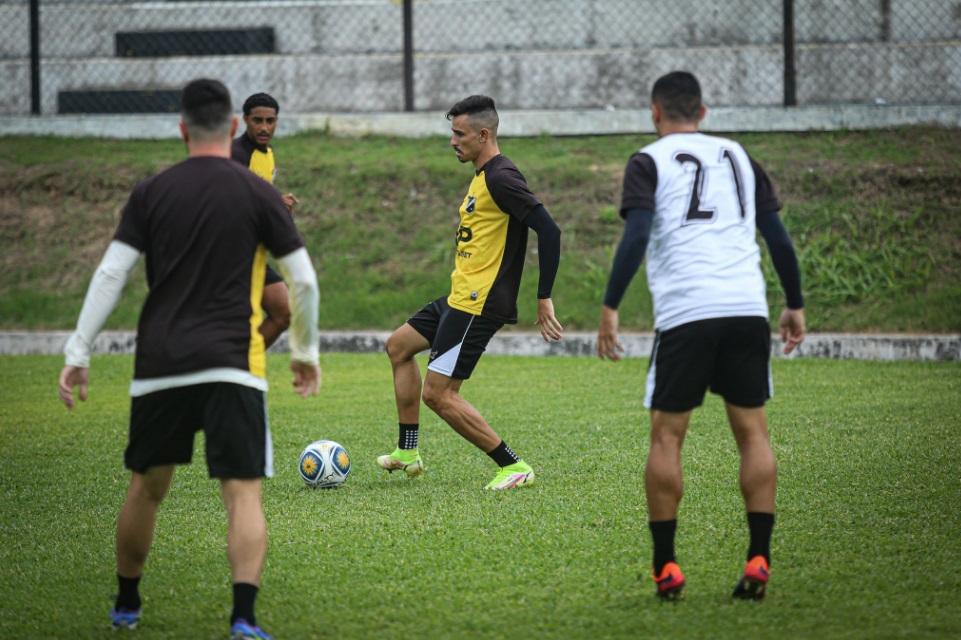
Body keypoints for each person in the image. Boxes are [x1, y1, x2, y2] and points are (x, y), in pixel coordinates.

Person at [58, 78, 321, 638]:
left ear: (182, 129)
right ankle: (243, 618)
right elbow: (302, 279)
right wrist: (305, 352)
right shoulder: (257, 194)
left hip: (161, 365)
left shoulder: (151, 191)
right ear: (231, 127)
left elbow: (110, 273)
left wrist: (78, 351)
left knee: (146, 489)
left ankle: (127, 605)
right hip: (234, 361)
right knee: (242, 493)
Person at [596, 71, 806, 601]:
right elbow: (776, 237)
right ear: (704, 112)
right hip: (745, 309)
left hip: (687, 314)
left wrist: (610, 307)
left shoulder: (649, 160)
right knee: (754, 435)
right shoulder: (739, 155)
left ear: (655, 113)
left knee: (667, 438)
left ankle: (666, 567)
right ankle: (759, 557)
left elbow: (638, 233)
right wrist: (795, 303)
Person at [377, 94, 564, 490]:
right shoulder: (482, 175)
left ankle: (513, 466)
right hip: (459, 296)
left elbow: (549, 230)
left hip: (479, 304)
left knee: (440, 395)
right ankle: (407, 451)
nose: (452, 141)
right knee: (398, 347)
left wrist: (543, 296)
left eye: (459, 134)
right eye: (451, 133)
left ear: (483, 134)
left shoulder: (501, 177)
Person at [231, 92, 299, 348]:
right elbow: (225, 205)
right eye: (257, 120)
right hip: (228, 255)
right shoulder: (235, 155)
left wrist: (280, 212)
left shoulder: (266, 153)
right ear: (245, 120)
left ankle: (242, 361)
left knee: (284, 313)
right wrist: (270, 204)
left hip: (252, 253)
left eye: (270, 121)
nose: (264, 127)